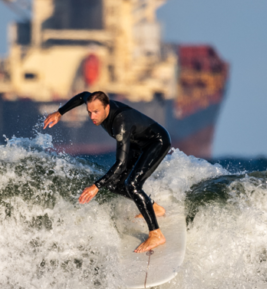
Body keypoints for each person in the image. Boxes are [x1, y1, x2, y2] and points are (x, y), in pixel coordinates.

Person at [43, 91, 172, 253]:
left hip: (156, 142)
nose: (92, 117)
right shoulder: (95, 102)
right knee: (112, 184)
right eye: (89, 112)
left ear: (107, 107)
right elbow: (82, 95)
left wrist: (96, 186)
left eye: (96, 112)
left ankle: (156, 234)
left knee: (132, 185)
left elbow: (121, 163)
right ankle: (155, 208)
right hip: (137, 141)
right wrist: (59, 113)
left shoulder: (121, 124)